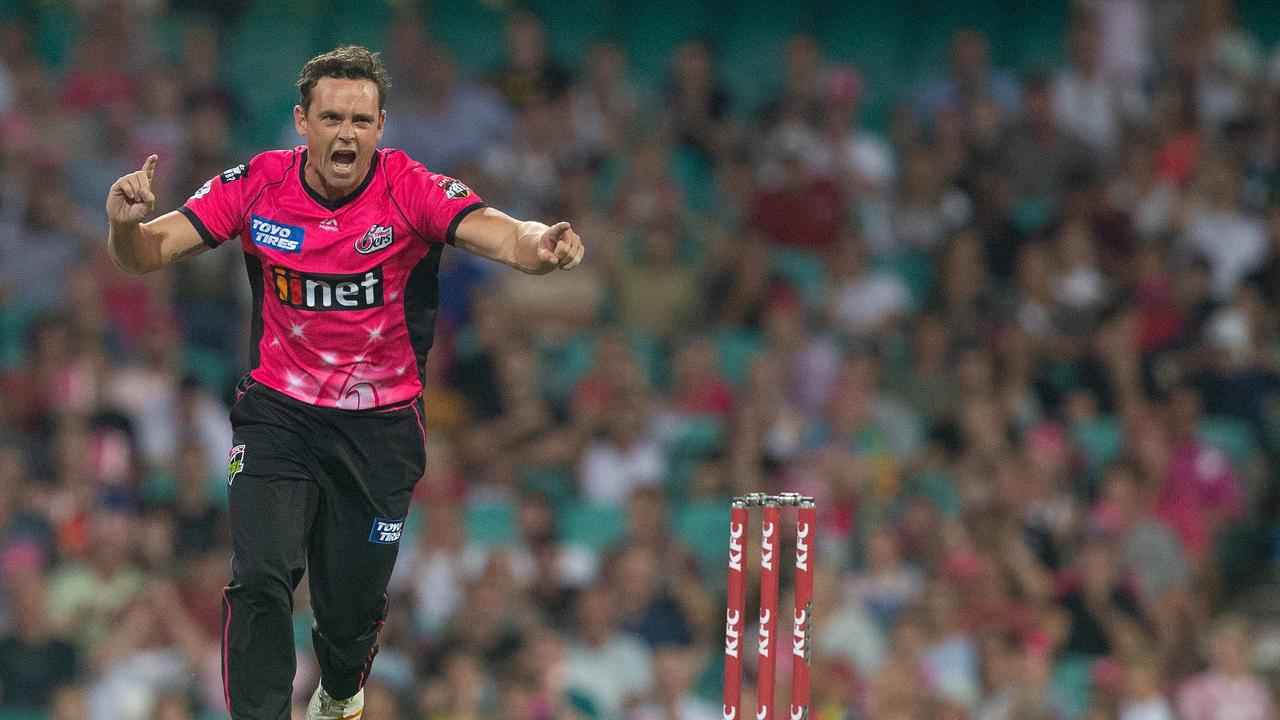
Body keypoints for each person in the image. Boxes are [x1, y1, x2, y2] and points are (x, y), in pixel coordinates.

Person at [103, 45, 585, 720]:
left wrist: (540, 245)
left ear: (381, 126)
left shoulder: (408, 187)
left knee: (349, 613)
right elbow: (147, 252)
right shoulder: (256, 184)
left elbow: (500, 234)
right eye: (331, 117)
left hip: (380, 430)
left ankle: (340, 692)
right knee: (261, 580)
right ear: (302, 121)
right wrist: (124, 227)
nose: (346, 133)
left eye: (360, 120)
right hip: (279, 417)